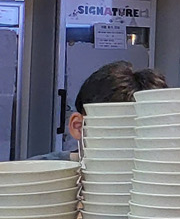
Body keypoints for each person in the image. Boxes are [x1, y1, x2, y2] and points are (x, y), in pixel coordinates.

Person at [34, 61, 167, 159]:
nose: (132, 145)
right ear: (78, 127)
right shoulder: (39, 176)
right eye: (119, 133)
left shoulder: (167, 178)